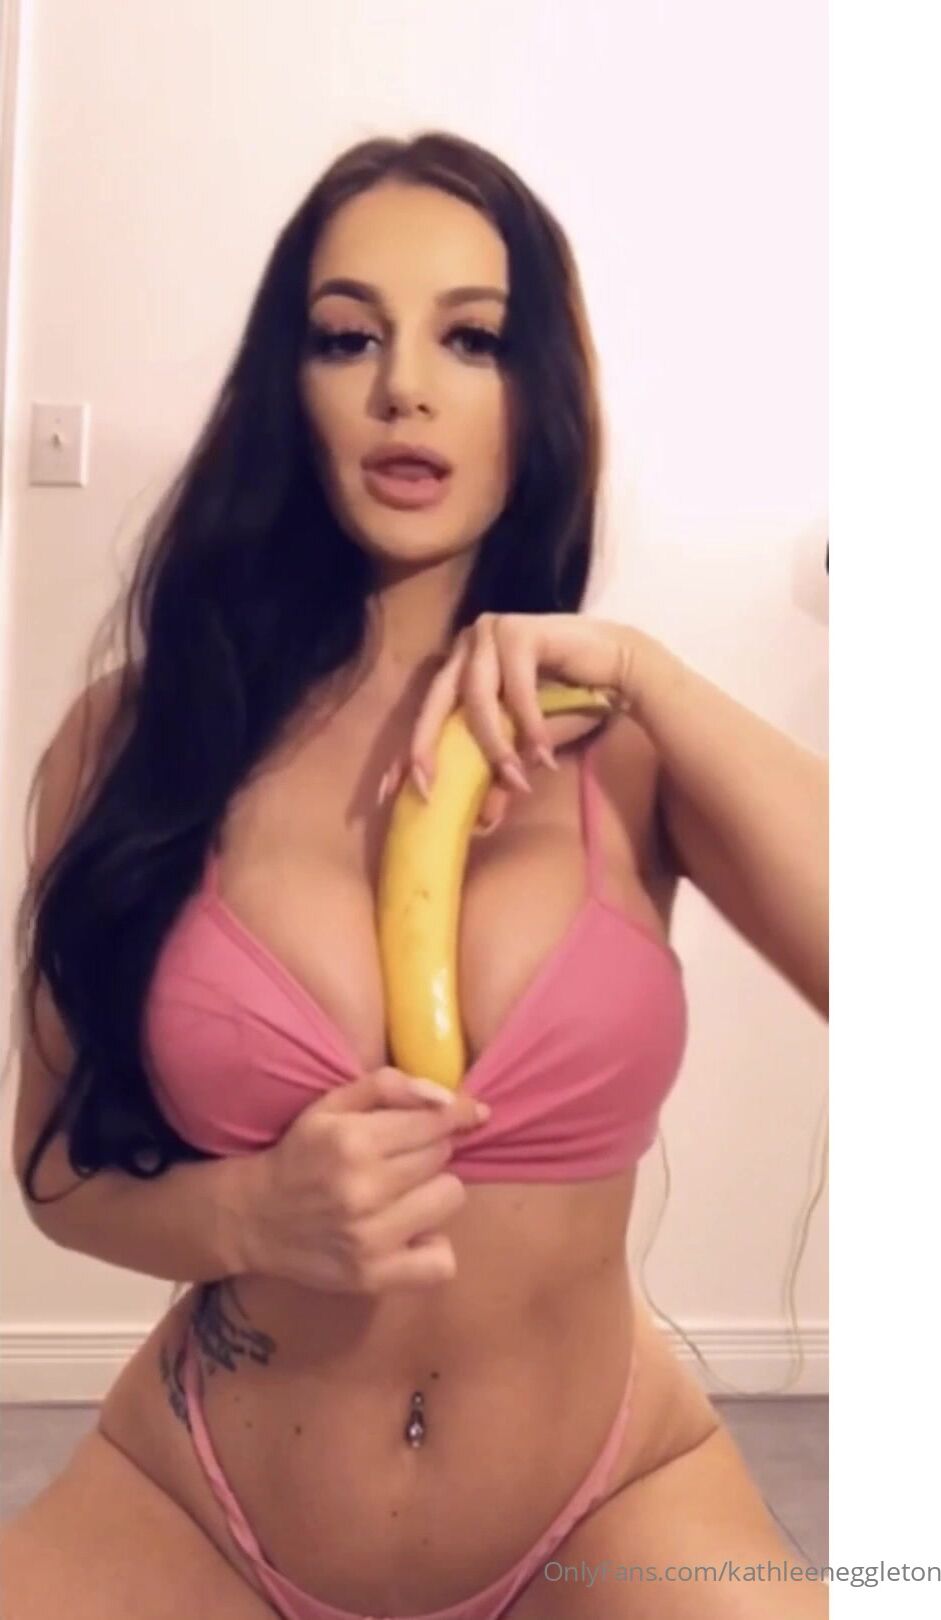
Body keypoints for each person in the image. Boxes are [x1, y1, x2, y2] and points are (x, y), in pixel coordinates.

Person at [2, 131, 828, 1619]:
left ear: (537, 393)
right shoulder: (132, 742)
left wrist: (648, 673)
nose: (405, 387)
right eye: (347, 337)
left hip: (605, 1498)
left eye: (471, 338)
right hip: (202, 1503)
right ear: (289, 387)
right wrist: (249, 1216)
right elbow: (56, 1172)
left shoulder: (624, 745)